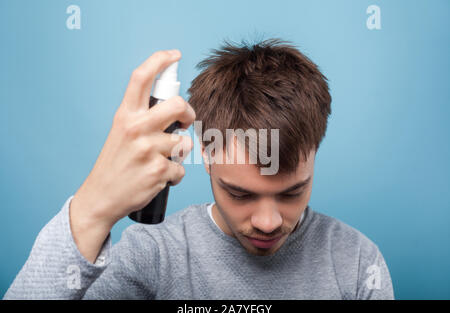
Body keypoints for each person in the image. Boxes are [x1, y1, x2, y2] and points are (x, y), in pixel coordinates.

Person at [3, 38, 394, 299]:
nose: (268, 222)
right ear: (206, 155)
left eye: (292, 192)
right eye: (239, 193)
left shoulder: (358, 263)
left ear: (315, 153)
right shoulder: (153, 256)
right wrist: (89, 212)